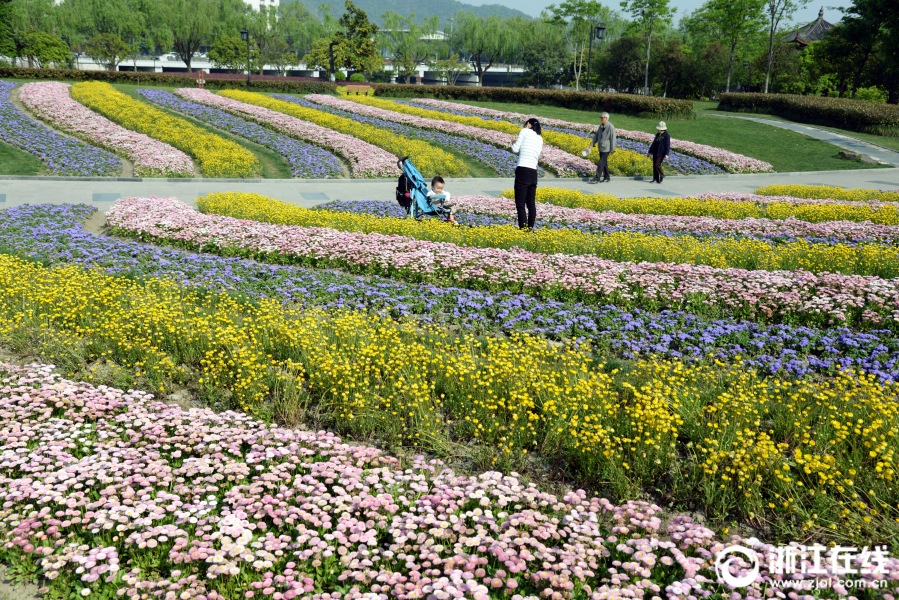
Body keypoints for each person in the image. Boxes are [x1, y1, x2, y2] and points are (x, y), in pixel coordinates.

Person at [511, 118, 544, 230]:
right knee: (531, 204)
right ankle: (529, 228)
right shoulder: (540, 138)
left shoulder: (524, 131)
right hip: (533, 172)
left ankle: (522, 229)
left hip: (523, 170)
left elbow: (515, 149)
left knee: (520, 203)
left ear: (528, 124)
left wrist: (513, 142)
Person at [582, 112, 616, 184]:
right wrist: (591, 144)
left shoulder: (610, 127)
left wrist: (612, 149)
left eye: (602, 118)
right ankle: (607, 177)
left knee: (601, 163)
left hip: (606, 148)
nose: (601, 119)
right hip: (600, 147)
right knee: (604, 163)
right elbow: (596, 136)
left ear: (606, 118)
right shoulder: (600, 126)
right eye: (600, 117)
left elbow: (613, 138)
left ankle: (597, 178)